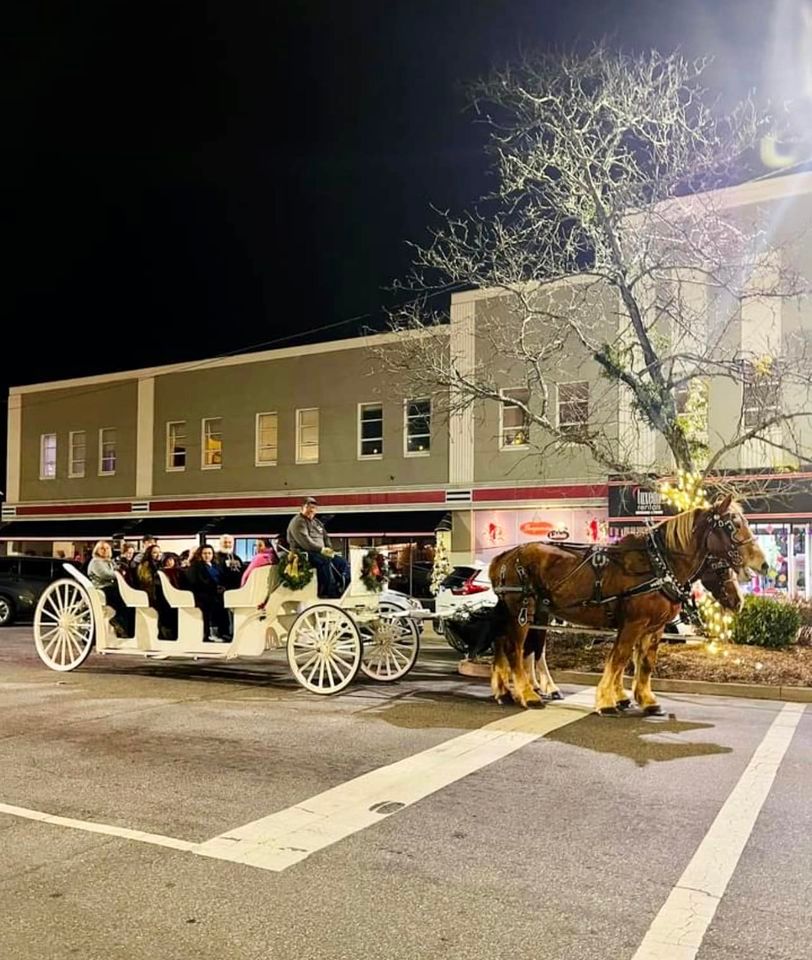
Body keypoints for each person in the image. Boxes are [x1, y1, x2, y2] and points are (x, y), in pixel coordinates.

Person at [286, 497, 350, 598]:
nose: (311, 510)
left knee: (342, 562)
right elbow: (306, 542)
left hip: (320, 552)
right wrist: (322, 550)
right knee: (324, 560)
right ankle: (328, 591)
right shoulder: (298, 522)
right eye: (308, 507)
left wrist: (329, 548)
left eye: (314, 508)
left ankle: (344, 588)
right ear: (301, 508)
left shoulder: (317, 523)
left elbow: (326, 538)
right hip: (304, 554)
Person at [185, 545, 231, 641]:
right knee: (213, 603)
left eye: (209, 553)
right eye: (205, 553)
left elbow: (222, 578)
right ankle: (210, 634)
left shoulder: (215, 565)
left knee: (224, 604)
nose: (207, 555)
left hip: (217, 592)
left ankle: (224, 632)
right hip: (202, 594)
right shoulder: (195, 566)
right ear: (200, 555)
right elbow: (196, 582)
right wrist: (214, 588)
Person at [87, 540, 131, 637]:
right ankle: (118, 621)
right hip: (102, 588)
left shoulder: (109, 561)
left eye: (107, 548)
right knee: (122, 600)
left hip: (111, 587)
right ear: (97, 550)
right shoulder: (96, 562)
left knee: (127, 601)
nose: (105, 550)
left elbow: (117, 569)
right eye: (102, 549)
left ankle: (124, 627)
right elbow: (105, 574)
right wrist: (118, 573)